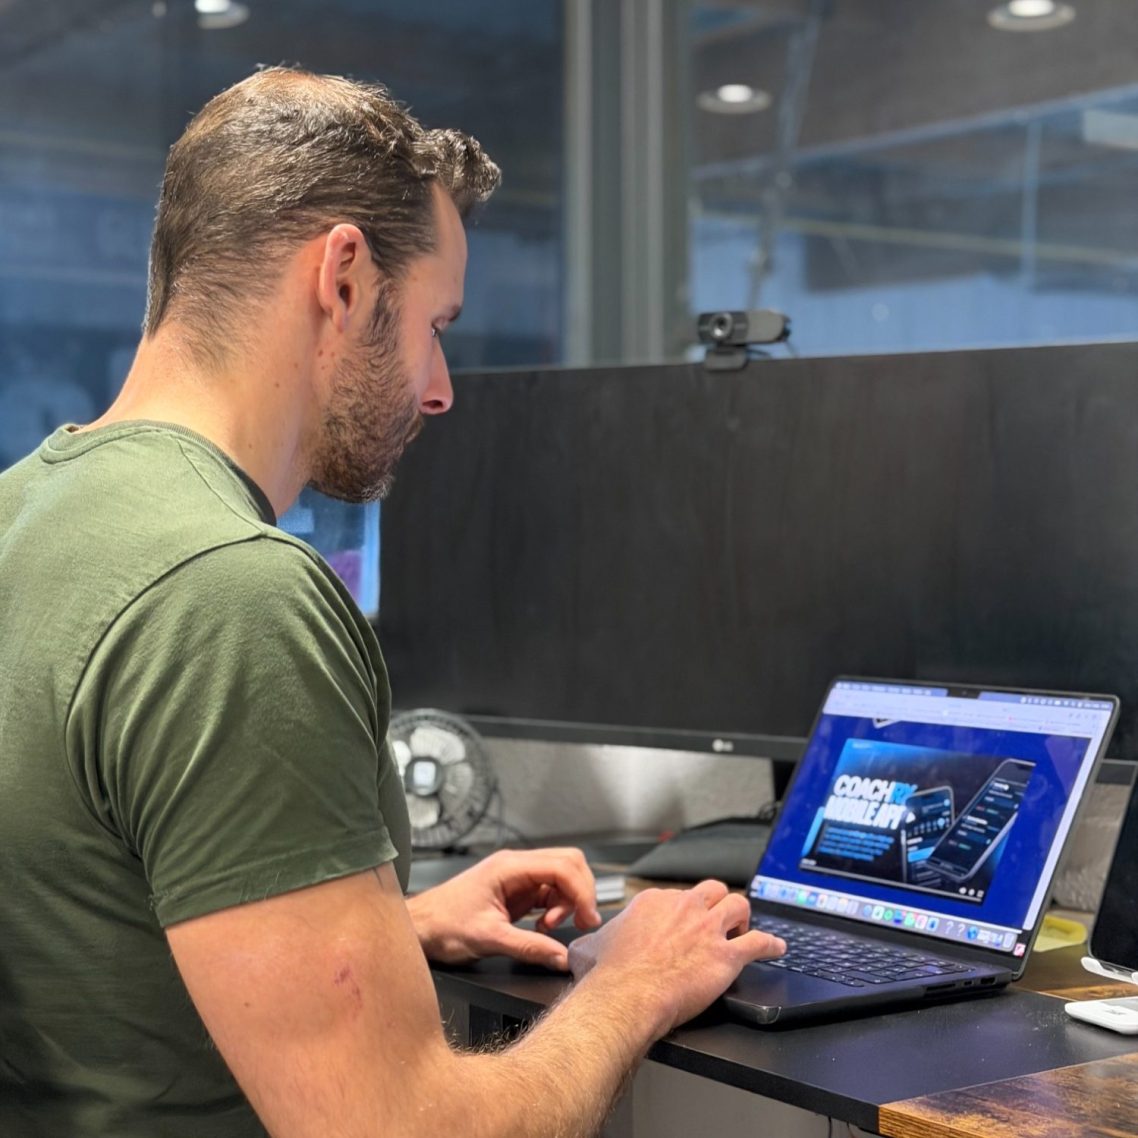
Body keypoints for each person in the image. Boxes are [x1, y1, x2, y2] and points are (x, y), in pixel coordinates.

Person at [0, 67, 785, 1138]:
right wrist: (636, 983)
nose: (440, 386)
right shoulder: (234, 595)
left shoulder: (24, 515)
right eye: (434, 322)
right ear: (342, 277)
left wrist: (383, 926)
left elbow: (89, 928)